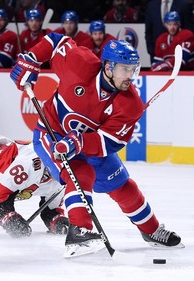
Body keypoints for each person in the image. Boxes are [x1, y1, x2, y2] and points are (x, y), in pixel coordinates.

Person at [10, 33, 184, 257]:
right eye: (125, 69)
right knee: (81, 173)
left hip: (87, 144)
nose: (130, 75)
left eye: (133, 69)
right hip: (51, 135)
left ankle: (151, 231)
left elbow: (110, 142)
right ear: (109, 67)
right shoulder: (79, 63)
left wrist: (78, 142)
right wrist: (31, 59)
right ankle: (79, 232)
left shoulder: (130, 105)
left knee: (122, 185)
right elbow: (55, 41)